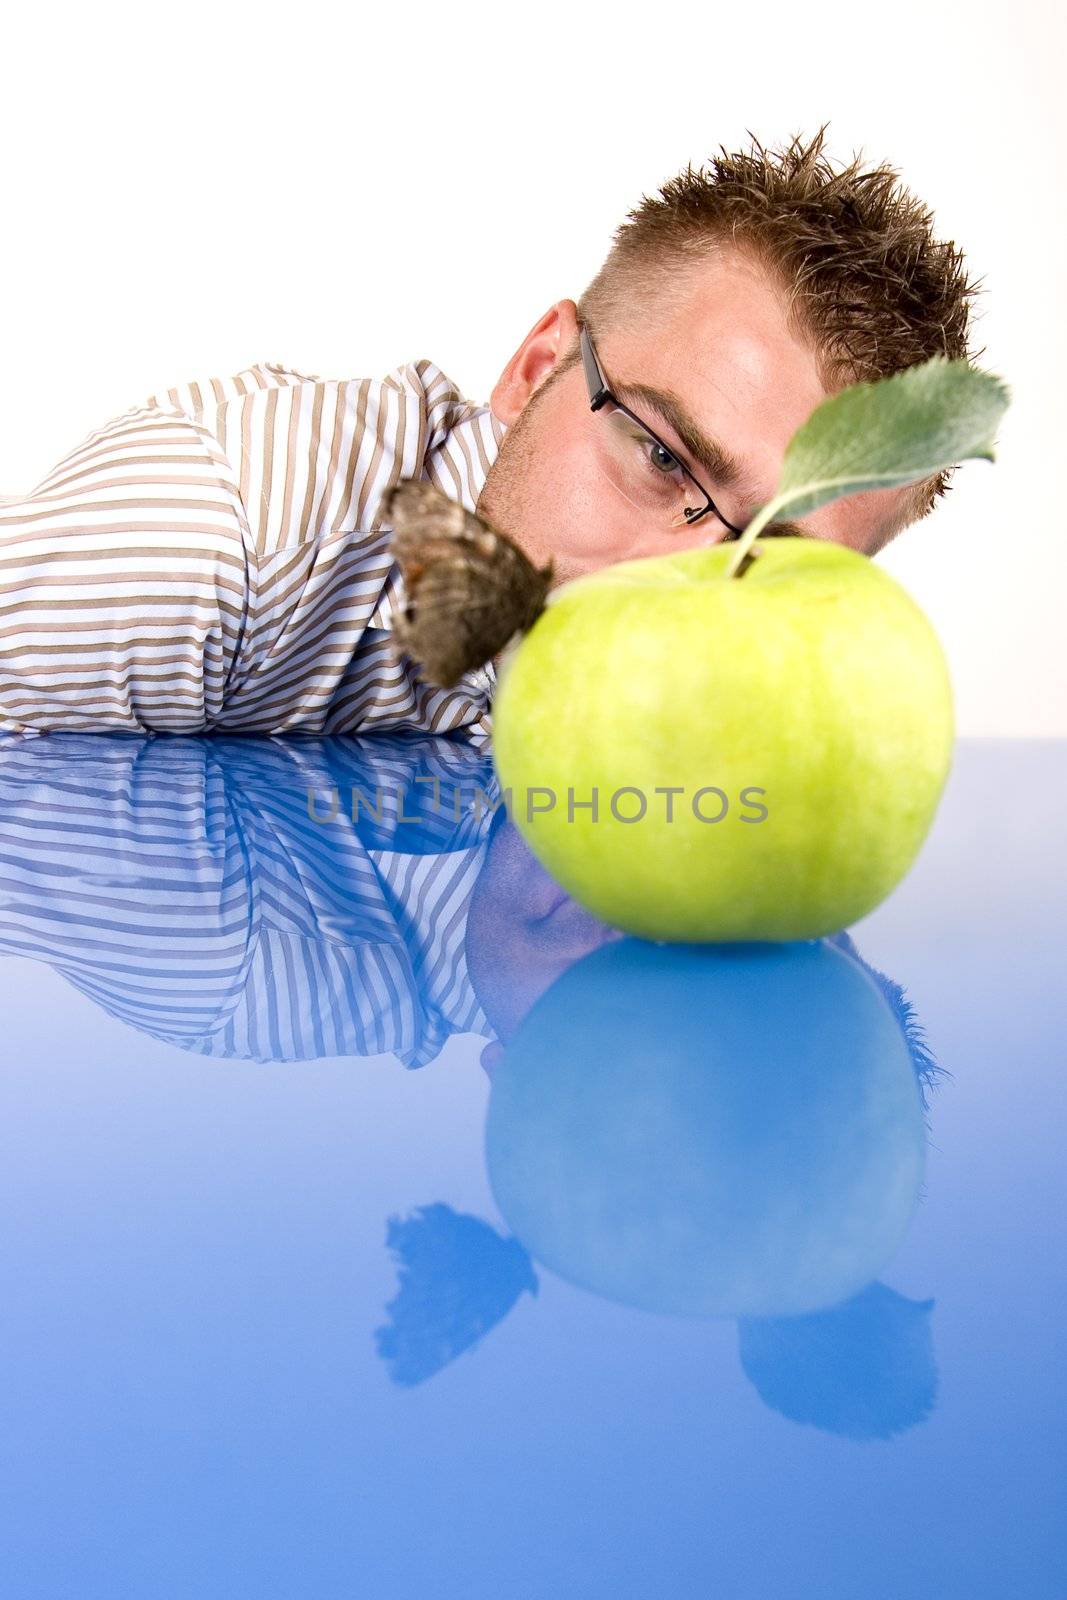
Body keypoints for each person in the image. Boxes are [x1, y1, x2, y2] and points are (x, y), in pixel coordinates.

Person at [0, 127, 976, 740]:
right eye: (659, 455)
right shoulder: (219, 535)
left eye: (767, 560)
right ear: (532, 367)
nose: (667, 588)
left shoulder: (759, 731)